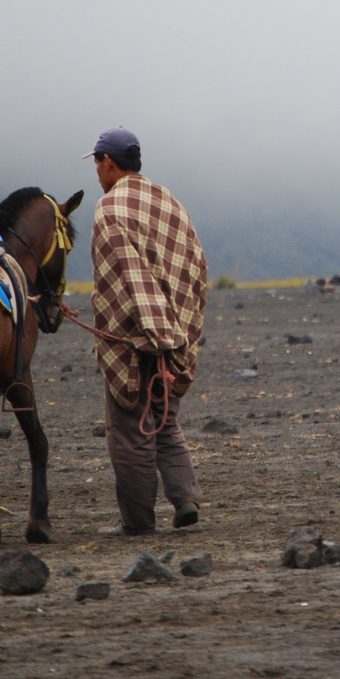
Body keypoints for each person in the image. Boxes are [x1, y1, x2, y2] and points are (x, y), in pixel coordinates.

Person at [83, 127, 210, 536]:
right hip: (178, 330)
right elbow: (196, 267)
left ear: (108, 162)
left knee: (131, 430)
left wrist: (156, 342)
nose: (97, 172)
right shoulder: (168, 201)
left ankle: (137, 523)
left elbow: (129, 280)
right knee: (165, 419)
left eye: (98, 163)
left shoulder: (110, 209)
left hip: (139, 339)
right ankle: (186, 499)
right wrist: (180, 337)